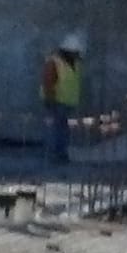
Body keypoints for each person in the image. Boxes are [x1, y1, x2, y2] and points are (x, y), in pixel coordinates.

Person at [40, 34, 86, 164]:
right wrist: (49, 99)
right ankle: (54, 155)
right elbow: (48, 81)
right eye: (75, 52)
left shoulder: (75, 63)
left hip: (68, 103)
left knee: (63, 130)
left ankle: (61, 154)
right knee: (55, 130)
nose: (77, 54)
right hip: (56, 101)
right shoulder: (54, 62)